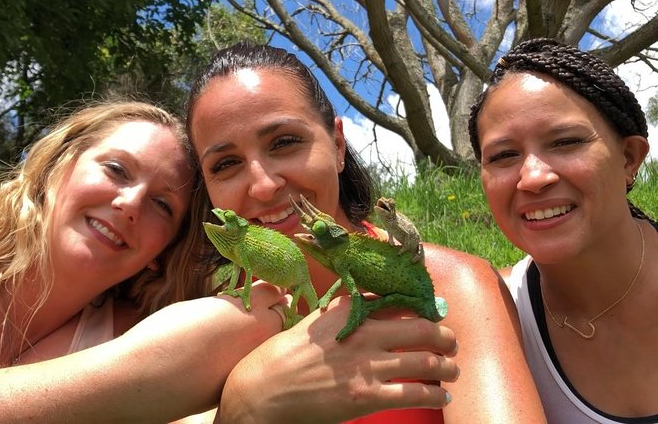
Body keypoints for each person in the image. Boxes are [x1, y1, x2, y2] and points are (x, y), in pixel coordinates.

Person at [185, 42, 547, 423]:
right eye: (226, 164)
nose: (262, 186)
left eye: (285, 142)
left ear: (338, 145)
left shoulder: (454, 286)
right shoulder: (215, 315)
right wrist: (243, 405)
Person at [0, 100, 289, 422]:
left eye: (162, 204)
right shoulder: (143, 360)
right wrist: (134, 373)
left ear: (163, 251)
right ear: (59, 166)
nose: (130, 204)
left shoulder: (145, 333)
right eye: (116, 170)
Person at [468, 37, 658, 422]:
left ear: (628, 158)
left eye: (566, 142)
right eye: (504, 156)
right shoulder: (490, 317)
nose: (533, 178)